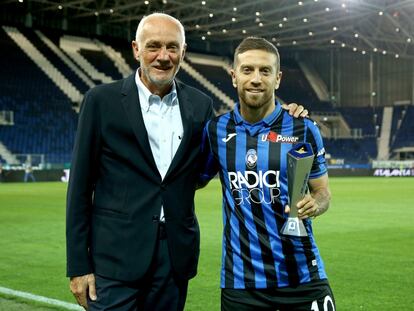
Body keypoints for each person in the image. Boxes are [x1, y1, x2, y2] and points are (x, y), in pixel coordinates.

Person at [66, 13, 308, 311]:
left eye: (172, 47)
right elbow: (79, 187)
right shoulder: (101, 101)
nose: (163, 57)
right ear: (136, 49)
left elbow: (206, 167)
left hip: (174, 260)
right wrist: (78, 265)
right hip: (115, 260)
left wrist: (288, 116)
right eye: (153, 46)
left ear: (183, 52)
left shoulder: (199, 104)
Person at [199, 37, 335, 311]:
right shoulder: (216, 131)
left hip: (302, 276)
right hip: (242, 285)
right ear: (234, 76)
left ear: (278, 78)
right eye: (247, 70)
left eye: (265, 71)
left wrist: (315, 204)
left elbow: (323, 193)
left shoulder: (303, 128)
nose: (256, 79)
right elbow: (189, 181)